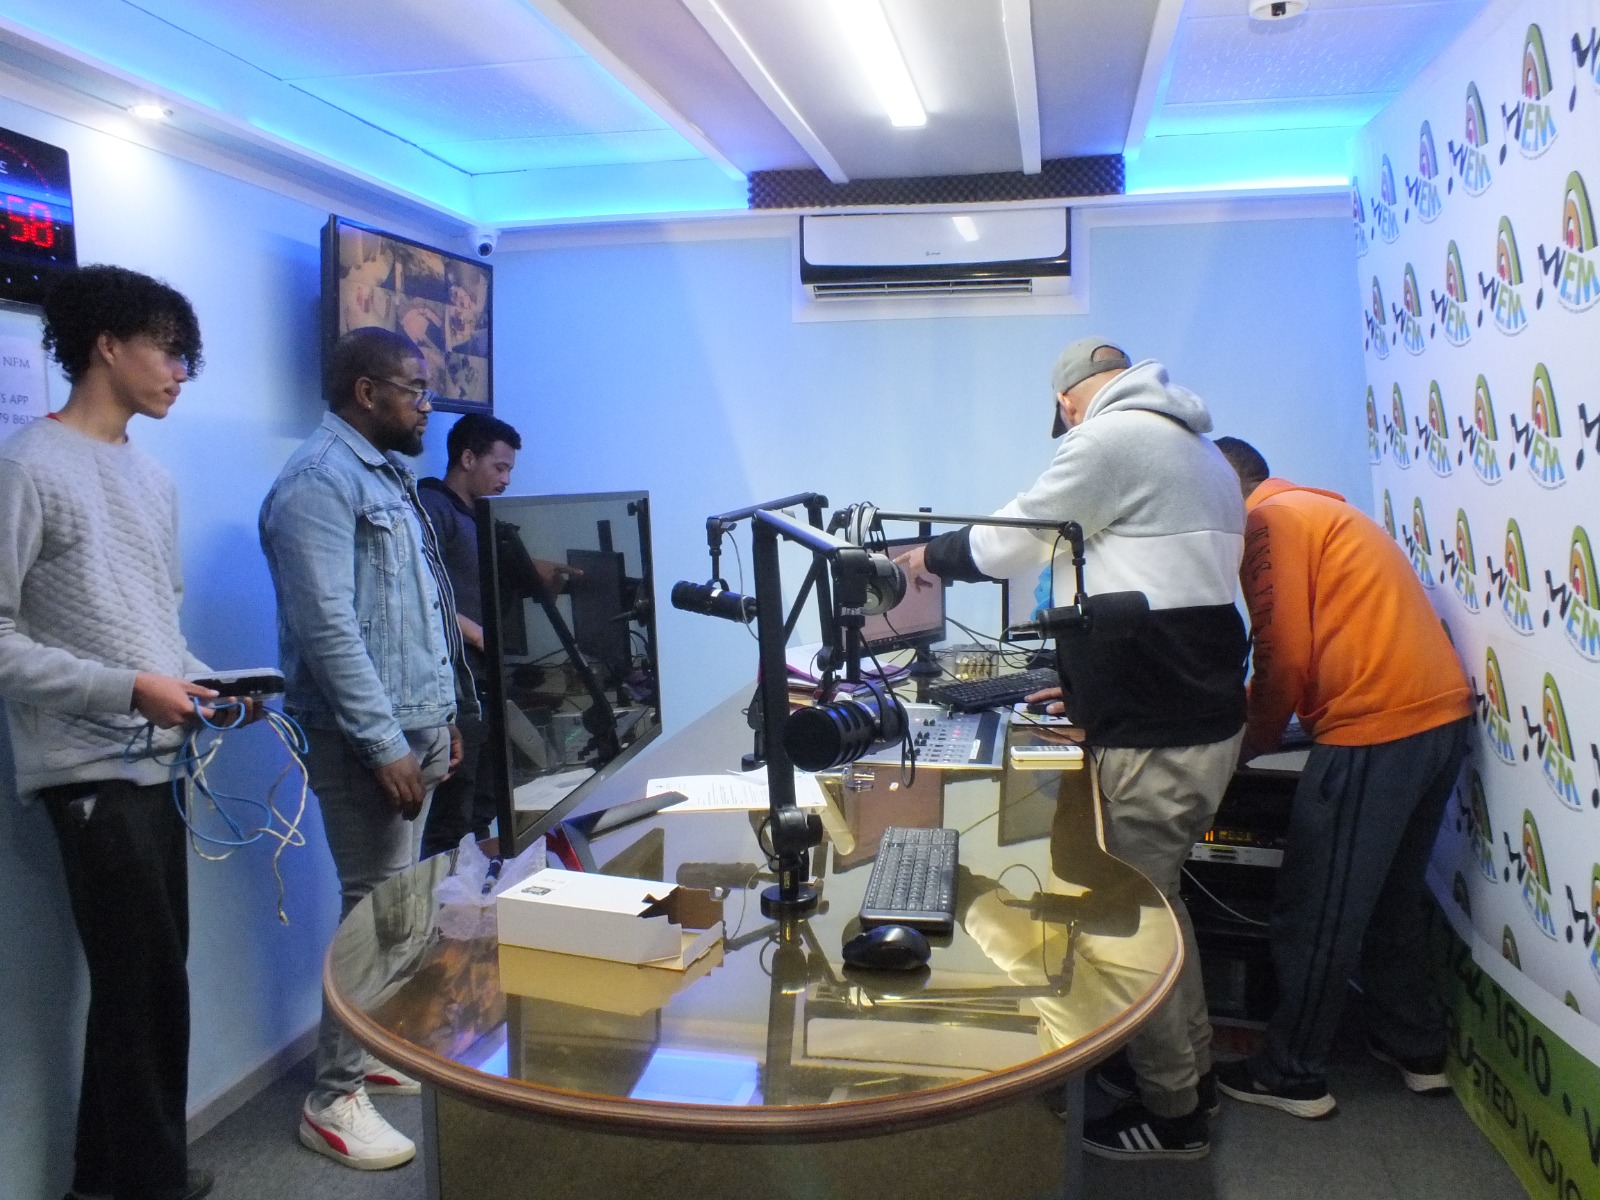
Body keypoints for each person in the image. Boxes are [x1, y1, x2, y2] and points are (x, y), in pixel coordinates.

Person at [901, 337, 1248, 1161]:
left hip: (1160, 738)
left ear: (1065, 404)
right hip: (1186, 721)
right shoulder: (1195, 446)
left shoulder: (1110, 438)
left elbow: (1009, 542)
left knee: (1131, 923)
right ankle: (1189, 1072)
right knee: (1161, 908)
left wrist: (922, 559)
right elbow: (1155, 595)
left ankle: (1175, 1116)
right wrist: (1086, 691)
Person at [0, 265, 217, 1200]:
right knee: (141, 986)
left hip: (160, 765)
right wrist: (128, 689)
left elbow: (157, 628)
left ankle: (121, 1178)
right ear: (107, 345)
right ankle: (140, 1183)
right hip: (86, 769)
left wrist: (211, 687)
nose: (180, 372)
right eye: (168, 351)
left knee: (154, 984)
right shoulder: (26, 465)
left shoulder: (151, 476)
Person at [1210, 437, 1472, 1118]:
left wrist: (1247, 744)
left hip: (1375, 727)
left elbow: (1283, 655)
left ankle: (1292, 1075)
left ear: (1226, 485)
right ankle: (1415, 1048)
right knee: (1389, 901)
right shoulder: (1319, 512)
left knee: (1316, 909)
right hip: (1437, 719)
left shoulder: (1267, 523)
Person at [259, 326, 468, 1170]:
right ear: (366, 392)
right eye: (415, 390)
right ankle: (332, 1098)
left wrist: (443, 715)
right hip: (363, 740)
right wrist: (386, 742)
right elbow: (329, 631)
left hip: (415, 724)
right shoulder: (317, 481)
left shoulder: (384, 476)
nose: (427, 406)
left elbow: (418, 615)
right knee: (371, 917)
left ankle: (372, 1050)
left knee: (400, 909)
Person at [417, 412, 521, 858]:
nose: (506, 479)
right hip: (454, 689)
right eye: (500, 467)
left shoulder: (478, 516)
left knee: (483, 807)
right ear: (467, 458)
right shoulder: (430, 509)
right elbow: (417, 592)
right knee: (451, 819)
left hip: (484, 685)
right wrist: (474, 633)